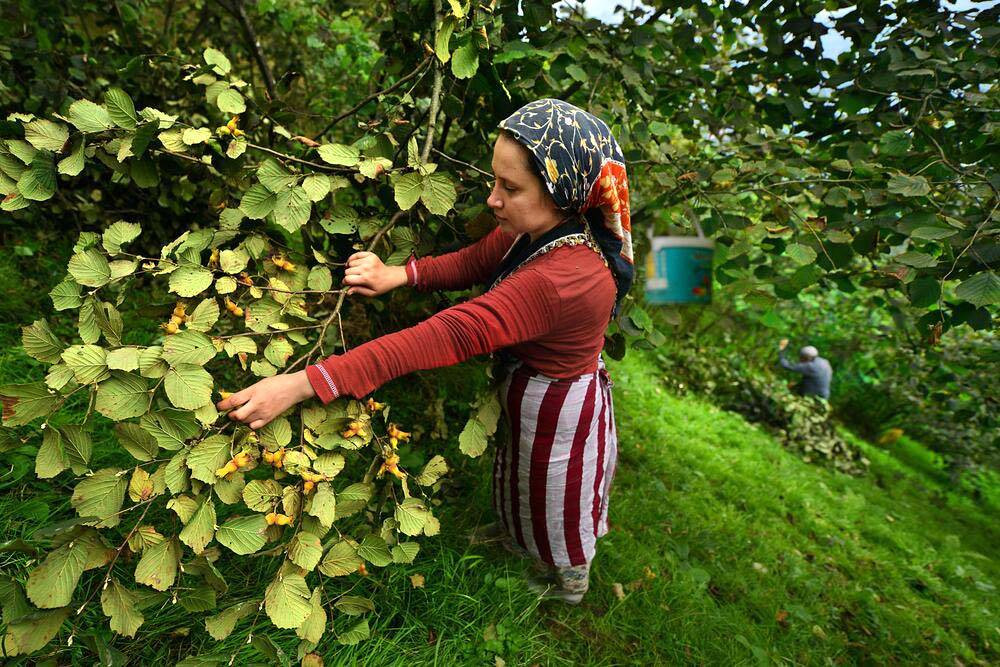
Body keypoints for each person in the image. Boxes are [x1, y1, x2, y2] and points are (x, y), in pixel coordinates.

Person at [216, 98, 633, 604]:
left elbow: (448, 335)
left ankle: (568, 581)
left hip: (559, 402)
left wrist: (301, 383)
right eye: (494, 181)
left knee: (555, 496)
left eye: (511, 188)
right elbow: (476, 260)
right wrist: (400, 274)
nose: (493, 200)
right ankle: (519, 544)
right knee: (518, 473)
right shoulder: (537, 229)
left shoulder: (565, 279)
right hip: (529, 383)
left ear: (562, 193)